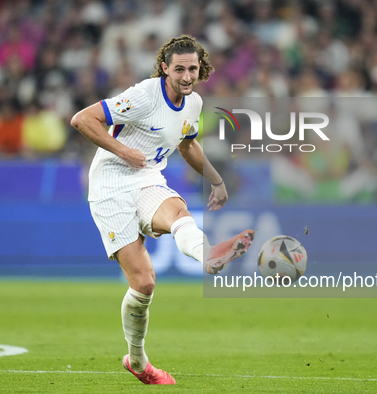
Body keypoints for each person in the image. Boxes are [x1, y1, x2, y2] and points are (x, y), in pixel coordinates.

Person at [70, 35, 254, 385]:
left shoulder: (193, 103)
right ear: (165, 68)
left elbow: (187, 143)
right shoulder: (143, 96)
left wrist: (215, 180)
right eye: (180, 69)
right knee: (145, 283)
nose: (187, 76)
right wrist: (122, 151)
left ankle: (208, 256)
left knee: (179, 214)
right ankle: (137, 361)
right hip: (110, 185)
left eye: (193, 69)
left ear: (201, 69)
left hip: (148, 178)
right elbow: (82, 119)